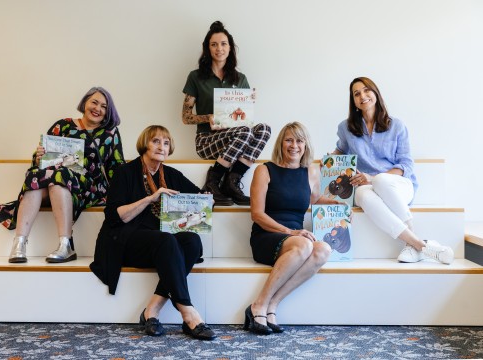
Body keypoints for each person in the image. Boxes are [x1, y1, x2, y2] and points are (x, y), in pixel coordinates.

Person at [89, 125, 216, 341]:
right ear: (144, 144)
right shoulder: (125, 172)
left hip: (159, 243)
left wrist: (207, 200)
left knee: (192, 242)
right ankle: (188, 312)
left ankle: (152, 310)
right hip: (125, 239)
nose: (161, 146)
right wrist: (151, 198)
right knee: (167, 241)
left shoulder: (172, 174)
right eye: (156, 141)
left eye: (166, 143)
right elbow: (116, 216)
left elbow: (198, 197)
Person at [330, 76, 453, 264]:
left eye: (366, 90)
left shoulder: (397, 126)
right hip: (368, 188)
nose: (362, 96)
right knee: (361, 195)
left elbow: (406, 165)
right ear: (353, 101)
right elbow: (340, 150)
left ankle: (414, 243)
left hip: (398, 186)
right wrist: (328, 162)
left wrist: (373, 177)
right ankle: (419, 245)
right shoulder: (346, 128)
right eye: (356, 94)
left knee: (380, 180)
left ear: (376, 93)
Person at [0, 87, 125, 263]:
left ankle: (66, 244)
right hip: (56, 179)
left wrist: (123, 194)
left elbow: (116, 167)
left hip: (88, 186)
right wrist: (38, 155)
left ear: (107, 112)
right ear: (85, 102)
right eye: (94, 102)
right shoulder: (62, 125)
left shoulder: (110, 132)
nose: (98, 108)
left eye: (103, 106)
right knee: (38, 176)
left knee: (59, 178)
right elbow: (43, 158)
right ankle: (19, 243)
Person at [246, 122, 338, 335]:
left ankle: (272, 304)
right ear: (281, 143)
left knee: (323, 250)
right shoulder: (264, 170)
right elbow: (257, 214)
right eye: (289, 139)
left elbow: (315, 199)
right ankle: (258, 304)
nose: (294, 145)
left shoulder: (310, 172)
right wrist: (290, 232)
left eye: (299, 140)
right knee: (304, 245)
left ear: (305, 145)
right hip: (267, 236)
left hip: (297, 240)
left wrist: (339, 205)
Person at [182, 20, 271, 206]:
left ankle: (232, 181)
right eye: (213, 44)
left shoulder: (240, 79)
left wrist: (248, 106)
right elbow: (185, 116)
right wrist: (208, 118)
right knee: (245, 132)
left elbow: (245, 121)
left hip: (236, 138)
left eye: (223, 44)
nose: (219, 48)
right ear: (207, 49)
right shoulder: (196, 77)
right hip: (207, 140)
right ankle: (213, 181)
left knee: (264, 129)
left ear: (230, 48)